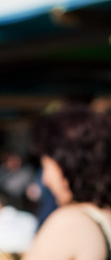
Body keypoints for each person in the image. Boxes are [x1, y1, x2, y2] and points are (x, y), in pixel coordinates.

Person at [23, 104, 111, 260]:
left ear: (66, 165)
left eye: (46, 166)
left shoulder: (70, 223)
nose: (45, 180)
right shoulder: (104, 216)